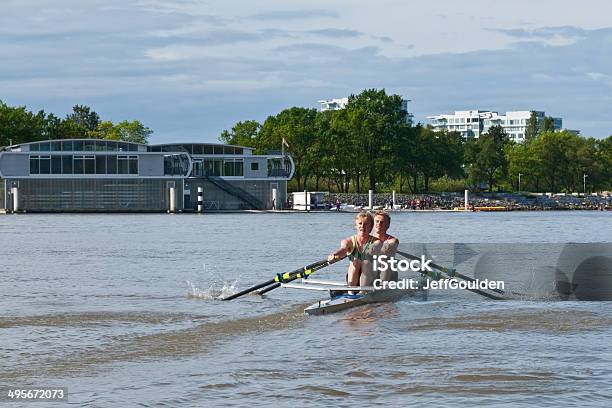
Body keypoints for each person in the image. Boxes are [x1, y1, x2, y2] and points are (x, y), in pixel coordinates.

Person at [328, 211, 381, 291]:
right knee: (355, 263)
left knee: (365, 263)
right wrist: (334, 255)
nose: (362, 226)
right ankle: (351, 292)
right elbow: (343, 250)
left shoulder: (376, 242)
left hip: (372, 278)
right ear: (356, 226)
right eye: (360, 223)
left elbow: (374, 248)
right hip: (354, 276)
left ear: (371, 227)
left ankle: (362, 292)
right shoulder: (348, 241)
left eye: (366, 224)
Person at [373, 211, 400, 282]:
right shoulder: (367, 239)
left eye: (382, 222)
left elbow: (383, 253)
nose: (379, 224)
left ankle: (383, 287)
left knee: (385, 261)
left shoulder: (393, 240)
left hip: (388, 274)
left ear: (388, 225)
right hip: (371, 271)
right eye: (377, 221)